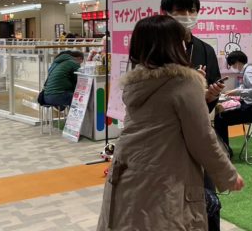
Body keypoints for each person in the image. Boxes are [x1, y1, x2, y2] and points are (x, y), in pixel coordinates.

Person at [96, 15, 243, 231]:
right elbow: (202, 138)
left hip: (127, 170)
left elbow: (162, 117)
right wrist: (229, 175)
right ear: (174, 45)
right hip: (165, 177)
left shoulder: (137, 82)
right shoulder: (185, 82)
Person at [161, 0, 225, 231]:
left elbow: (207, 98)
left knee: (208, 203)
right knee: (169, 206)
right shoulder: (154, 51)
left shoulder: (204, 50)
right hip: (165, 140)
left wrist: (209, 96)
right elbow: (145, 98)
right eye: (180, 10)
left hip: (198, 137)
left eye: (192, 10)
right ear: (165, 13)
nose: (187, 15)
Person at [215, 51, 252, 151]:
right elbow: (246, 88)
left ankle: (225, 150)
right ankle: (225, 149)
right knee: (222, 115)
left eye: (232, 64)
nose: (232, 66)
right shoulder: (249, 70)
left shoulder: (248, 72)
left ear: (237, 62)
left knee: (220, 118)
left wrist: (237, 92)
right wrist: (234, 91)